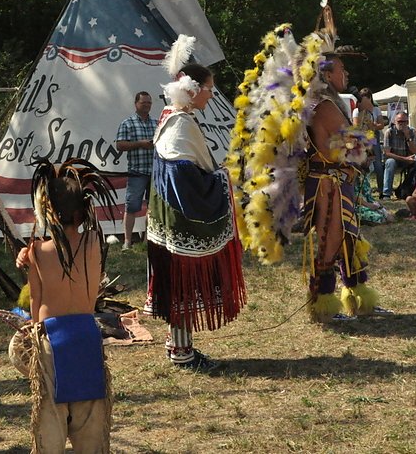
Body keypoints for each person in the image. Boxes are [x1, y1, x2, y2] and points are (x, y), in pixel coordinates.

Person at [147, 35, 245, 372]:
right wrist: (220, 179)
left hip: (169, 218)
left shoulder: (172, 117)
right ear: (193, 89)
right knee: (181, 285)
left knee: (178, 287)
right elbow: (182, 175)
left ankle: (178, 344)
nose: (211, 94)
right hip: (179, 220)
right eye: (208, 88)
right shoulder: (180, 124)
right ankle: (182, 352)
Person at [15, 159, 115, 453]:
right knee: (90, 421)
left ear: (49, 211)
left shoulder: (37, 251)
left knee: (51, 421)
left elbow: (36, 301)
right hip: (86, 335)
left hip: (51, 340)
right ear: (83, 210)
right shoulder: (94, 242)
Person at [303, 47, 388, 321]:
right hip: (329, 185)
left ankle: (359, 300)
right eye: (342, 69)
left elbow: (350, 146)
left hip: (337, 181)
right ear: (326, 74)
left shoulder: (323, 103)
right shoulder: (324, 106)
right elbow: (353, 147)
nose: (346, 73)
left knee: (350, 241)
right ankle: (323, 305)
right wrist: (365, 130)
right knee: (330, 243)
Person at [114, 91, 157, 250]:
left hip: (154, 171)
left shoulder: (157, 123)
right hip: (137, 171)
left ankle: (148, 239)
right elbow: (119, 145)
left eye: (149, 103)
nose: (147, 105)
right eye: (143, 102)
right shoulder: (127, 123)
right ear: (136, 104)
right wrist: (139, 144)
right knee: (131, 206)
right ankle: (127, 240)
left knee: (153, 207)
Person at [352, 88, 385, 193]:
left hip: (373, 138)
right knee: (363, 164)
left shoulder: (376, 110)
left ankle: (381, 189)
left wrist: (373, 125)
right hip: (362, 140)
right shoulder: (356, 111)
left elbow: (381, 125)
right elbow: (355, 126)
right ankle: (364, 189)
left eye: (365, 99)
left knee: (378, 164)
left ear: (370, 98)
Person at [382, 112, 416, 199]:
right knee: (390, 162)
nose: (401, 124)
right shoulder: (389, 132)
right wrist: (404, 159)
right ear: (395, 121)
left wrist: (408, 137)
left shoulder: (411, 131)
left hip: (408, 158)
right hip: (395, 159)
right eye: (399, 121)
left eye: (404, 121)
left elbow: (415, 151)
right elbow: (387, 153)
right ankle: (386, 193)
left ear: (407, 122)